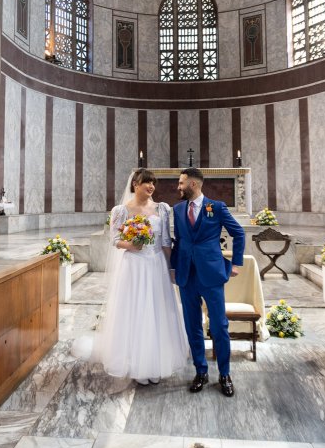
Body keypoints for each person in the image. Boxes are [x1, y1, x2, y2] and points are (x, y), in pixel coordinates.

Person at [92, 168, 188, 384]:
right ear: (135, 184)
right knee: (134, 311)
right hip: (133, 266)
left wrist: (171, 268)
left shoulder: (162, 209)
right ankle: (136, 364)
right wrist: (131, 244)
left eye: (153, 182)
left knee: (156, 311)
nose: (151, 186)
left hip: (156, 265)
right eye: (147, 182)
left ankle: (154, 363)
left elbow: (165, 241)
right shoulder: (120, 211)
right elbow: (114, 240)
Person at [171, 167, 245, 397]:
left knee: (219, 326)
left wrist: (236, 264)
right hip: (186, 275)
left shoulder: (217, 207)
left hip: (211, 274)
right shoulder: (178, 209)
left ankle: (224, 374)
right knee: (192, 326)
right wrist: (173, 267)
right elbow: (179, 240)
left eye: (181, 183)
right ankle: (201, 371)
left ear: (193, 184)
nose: (178, 187)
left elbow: (238, 233)